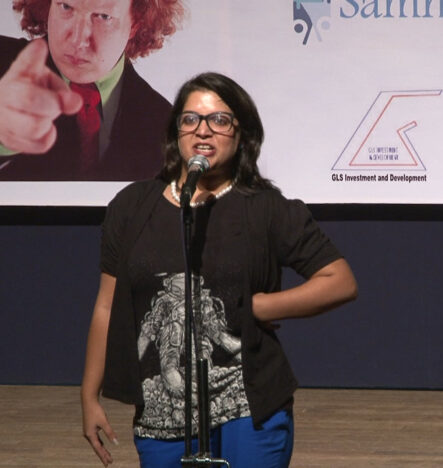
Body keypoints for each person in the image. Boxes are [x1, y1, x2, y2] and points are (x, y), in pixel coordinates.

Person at [80, 72, 358, 467]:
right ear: (176, 132)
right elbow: (106, 307)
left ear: (242, 135)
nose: (203, 130)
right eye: (190, 119)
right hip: (163, 414)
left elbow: (339, 281)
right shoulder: (131, 207)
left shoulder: (265, 208)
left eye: (220, 120)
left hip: (249, 408)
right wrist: (89, 396)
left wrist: (260, 306)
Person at [0, 0, 184, 181]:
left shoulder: (164, 121)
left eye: (103, 16)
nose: (78, 39)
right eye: (66, 7)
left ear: (136, 24)